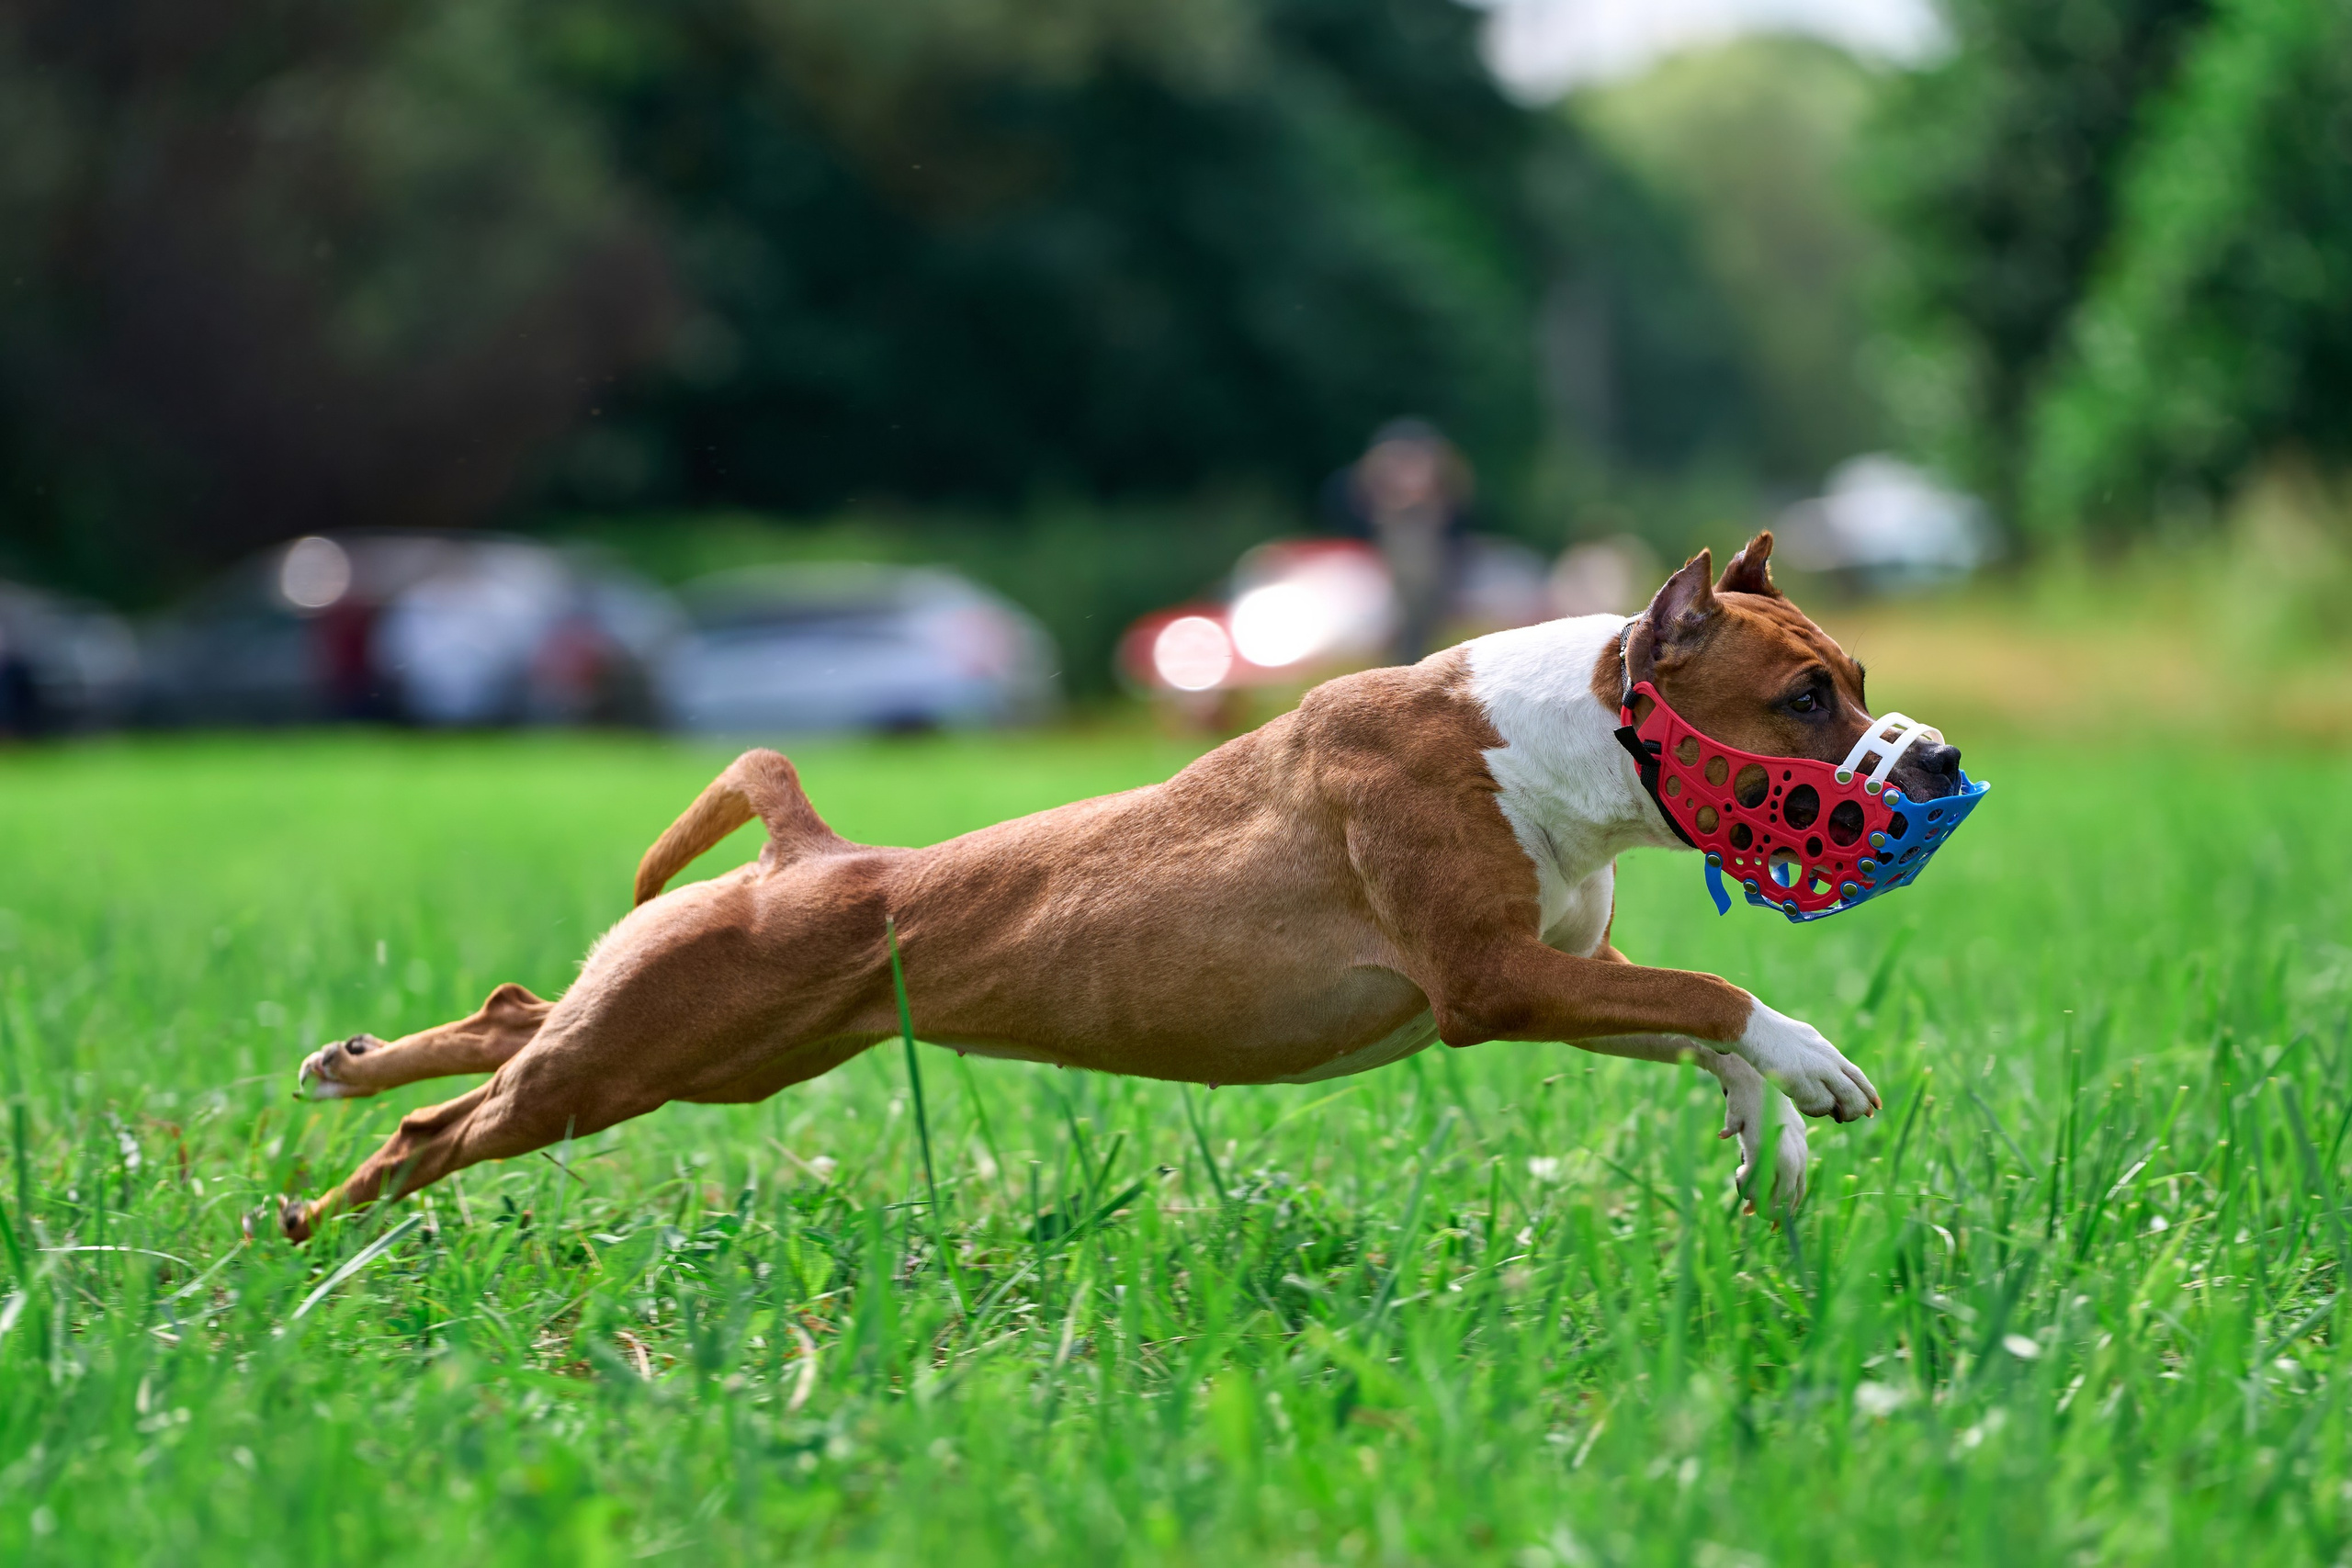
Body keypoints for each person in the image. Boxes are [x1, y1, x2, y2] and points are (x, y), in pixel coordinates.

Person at [1324, 418, 1476, 664]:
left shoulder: (1442, 496)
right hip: (1383, 573)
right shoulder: (1370, 497)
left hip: (1432, 566)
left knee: (1425, 619)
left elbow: (1458, 514)